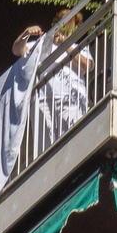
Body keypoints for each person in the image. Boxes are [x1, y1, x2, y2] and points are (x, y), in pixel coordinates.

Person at [11, 9, 91, 147]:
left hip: (71, 98)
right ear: (55, 24)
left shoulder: (77, 47)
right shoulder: (42, 45)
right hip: (42, 100)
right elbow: (17, 50)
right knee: (45, 147)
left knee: (74, 140)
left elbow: (86, 66)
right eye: (63, 22)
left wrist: (65, 45)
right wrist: (26, 34)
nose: (66, 26)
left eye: (70, 23)